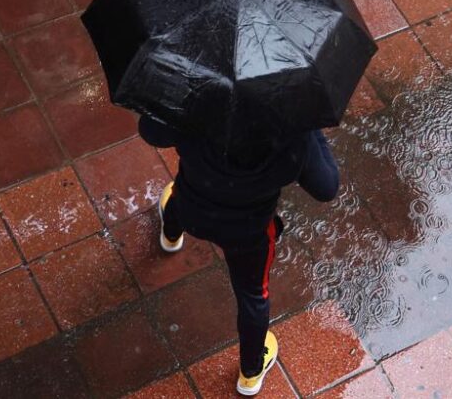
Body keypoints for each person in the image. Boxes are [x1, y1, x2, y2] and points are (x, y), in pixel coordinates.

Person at [138, 116, 340, 396]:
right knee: (252, 296)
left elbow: (152, 132)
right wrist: (308, 126)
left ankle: (171, 236)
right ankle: (250, 373)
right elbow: (326, 187)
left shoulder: (194, 101)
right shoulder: (290, 131)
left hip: (194, 207)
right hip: (248, 234)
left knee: (178, 198)